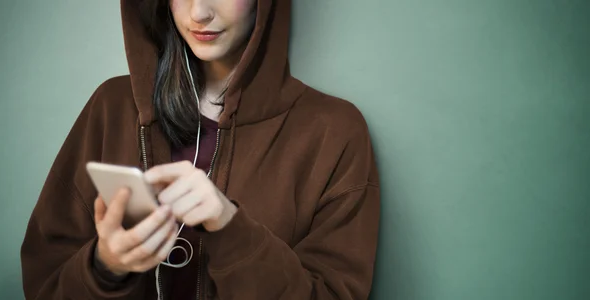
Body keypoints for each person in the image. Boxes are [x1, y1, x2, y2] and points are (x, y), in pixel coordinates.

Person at [20, 0, 381, 299]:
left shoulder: (334, 131)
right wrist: (105, 266)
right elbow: (44, 283)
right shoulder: (111, 107)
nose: (198, 13)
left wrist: (229, 226)